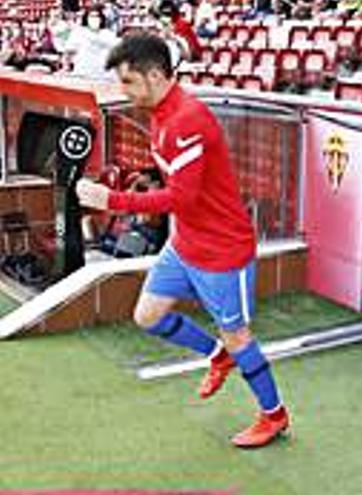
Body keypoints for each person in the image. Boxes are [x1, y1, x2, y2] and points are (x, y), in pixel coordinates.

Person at [76, 34, 289, 448]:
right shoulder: (160, 113)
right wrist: (141, 180)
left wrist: (113, 199)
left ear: (155, 75)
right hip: (185, 243)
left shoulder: (185, 119)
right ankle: (216, 356)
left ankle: (274, 415)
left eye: (129, 82)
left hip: (222, 250)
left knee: (239, 336)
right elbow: (179, 181)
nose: (124, 92)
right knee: (148, 315)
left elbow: (182, 197)